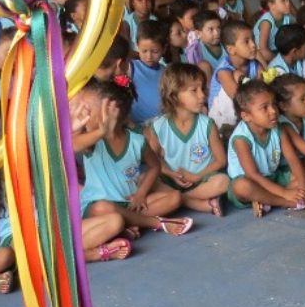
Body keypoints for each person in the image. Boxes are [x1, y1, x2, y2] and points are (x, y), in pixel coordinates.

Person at [75, 79, 192, 236]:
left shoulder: (137, 141)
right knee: (104, 208)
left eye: (88, 110)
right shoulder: (92, 140)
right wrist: (100, 132)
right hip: (98, 207)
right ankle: (156, 223)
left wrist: (141, 194)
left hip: (128, 203)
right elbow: (73, 145)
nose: (83, 115)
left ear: (112, 111)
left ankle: (127, 223)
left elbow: (155, 166)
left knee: (175, 198)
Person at [145, 65, 229, 216]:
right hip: (172, 181)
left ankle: (181, 200)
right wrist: (171, 174)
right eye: (194, 90)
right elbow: (154, 160)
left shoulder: (207, 124)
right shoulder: (158, 126)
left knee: (223, 181)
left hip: (202, 179)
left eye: (203, 89)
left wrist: (197, 176)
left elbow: (221, 161)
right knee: (145, 180)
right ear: (174, 95)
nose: (202, 95)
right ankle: (196, 202)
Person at [226, 80, 305, 217]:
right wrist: (285, 193)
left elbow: (293, 160)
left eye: (274, 104)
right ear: (246, 116)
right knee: (241, 187)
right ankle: (285, 202)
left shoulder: (278, 128)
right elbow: (253, 175)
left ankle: (265, 200)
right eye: (264, 107)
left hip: (274, 177)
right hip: (252, 182)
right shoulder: (241, 139)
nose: (273, 111)